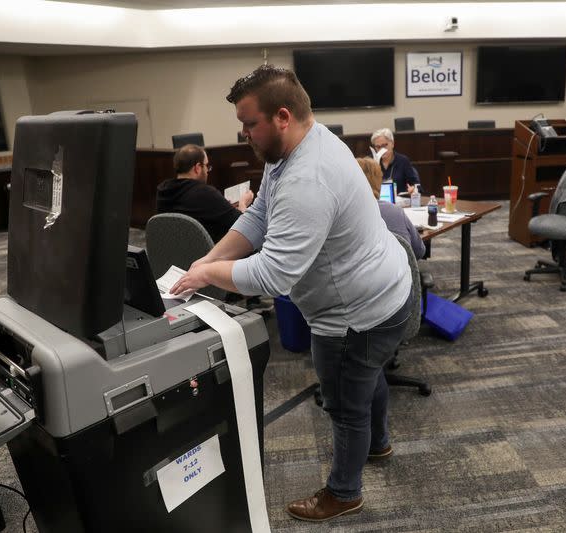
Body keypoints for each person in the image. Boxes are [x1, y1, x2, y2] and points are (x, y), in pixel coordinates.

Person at [170, 65, 413, 522]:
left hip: (354, 315)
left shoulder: (308, 178)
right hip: (385, 293)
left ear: (282, 116)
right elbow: (260, 214)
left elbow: (275, 275)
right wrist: (209, 260)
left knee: (343, 404)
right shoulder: (302, 143)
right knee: (368, 372)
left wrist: (207, 276)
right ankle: (377, 444)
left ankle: (344, 492)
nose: (244, 134)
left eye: (249, 124)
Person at [156, 144, 254, 243]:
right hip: (210, 255)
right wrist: (243, 204)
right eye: (206, 166)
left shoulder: (163, 192)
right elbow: (243, 225)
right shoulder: (205, 193)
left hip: (176, 253)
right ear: (197, 168)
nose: (207, 170)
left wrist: (224, 207)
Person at [357, 157, 425, 259]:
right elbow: (419, 251)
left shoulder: (346, 214)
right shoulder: (395, 211)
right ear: (378, 181)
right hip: (401, 273)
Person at [370, 127, 421, 194]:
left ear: (392, 144)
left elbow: (417, 186)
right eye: (378, 147)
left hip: (399, 202)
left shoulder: (403, 161)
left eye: (384, 145)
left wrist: (413, 189)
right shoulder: (370, 162)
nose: (381, 149)